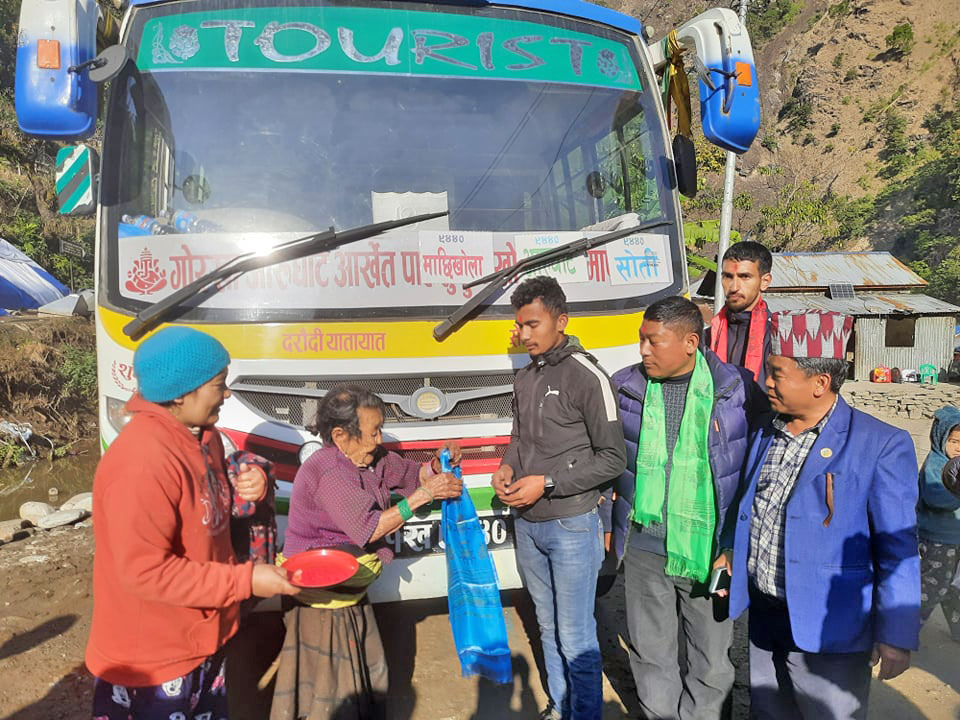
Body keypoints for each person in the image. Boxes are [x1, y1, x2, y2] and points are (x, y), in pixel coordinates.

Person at [86, 327, 301, 720]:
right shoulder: (141, 463)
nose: (227, 394)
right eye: (219, 384)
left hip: (202, 636)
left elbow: (205, 508)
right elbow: (145, 572)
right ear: (181, 393)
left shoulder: (205, 439)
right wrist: (246, 580)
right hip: (153, 658)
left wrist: (251, 479)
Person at [729, 310, 921, 720]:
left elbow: (897, 545)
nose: (767, 382)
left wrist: (896, 632)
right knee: (769, 713)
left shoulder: (880, 444)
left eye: (777, 374)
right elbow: (750, 509)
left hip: (830, 628)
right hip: (765, 616)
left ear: (820, 383)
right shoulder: (766, 431)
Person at [271, 385, 463, 720]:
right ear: (340, 436)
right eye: (373, 433)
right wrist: (423, 496)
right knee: (331, 688)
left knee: (359, 671)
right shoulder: (329, 472)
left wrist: (436, 465)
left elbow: (411, 474)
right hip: (320, 593)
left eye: (380, 430)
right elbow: (369, 529)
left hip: (348, 585)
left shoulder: (371, 458)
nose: (378, 440)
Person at [606, 295, 755, 720]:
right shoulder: (625, 388)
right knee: (651, 653)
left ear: (690, 342)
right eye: (641, 340)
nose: (643, 351)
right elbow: (608, 461)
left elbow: (751, 470)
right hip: (644, 546)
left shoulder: (737, 390)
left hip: (707, 550)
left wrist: (733, 543)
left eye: (654, 341)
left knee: (711, 659)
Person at [491, 276, 626, 720]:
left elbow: (613, 458)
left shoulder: (587, 376)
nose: (524, 334)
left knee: (575, 635)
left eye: (533, 324)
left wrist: (546, 482)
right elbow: (519, 437)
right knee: (547, 627)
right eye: (520, 325)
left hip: (572, 524)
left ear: (561, 321)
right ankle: (560, 707)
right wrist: (507, 466)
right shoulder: (526, 377)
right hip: (528, 524)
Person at [704, 241, 774, 387]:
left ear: (765, 281)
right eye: (728, 276)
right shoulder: (705, 339)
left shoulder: (779, 339)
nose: (734, 287)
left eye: (745, 277)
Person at [917, 406, 960, 640]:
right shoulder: (936, 464)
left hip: (955, 537)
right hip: (938, 539)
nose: (958, 447)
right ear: (941, 438)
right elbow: (936, 498)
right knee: (933, 586)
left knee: (954, 587)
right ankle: (901, 632)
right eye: (953, 441)